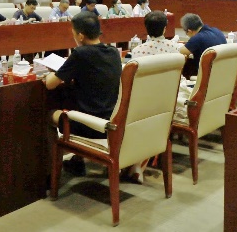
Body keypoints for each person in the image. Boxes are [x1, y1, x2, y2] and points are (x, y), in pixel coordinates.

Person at [44, 12, 121, 176]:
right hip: (112, 121)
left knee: (49, 115)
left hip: (91, 126)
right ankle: (76, 160)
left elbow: (50, 84)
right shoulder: (113, 52)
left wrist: (51, 73)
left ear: (80, 36)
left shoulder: (80, 53)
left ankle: (52, 172)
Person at [128, 10, 184, 183]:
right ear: (165, 28)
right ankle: (138, 164)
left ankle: (136, 163)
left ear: (145, 28)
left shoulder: (137, 51)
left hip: (144, 101)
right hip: (169, 100)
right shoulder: (175, 49)